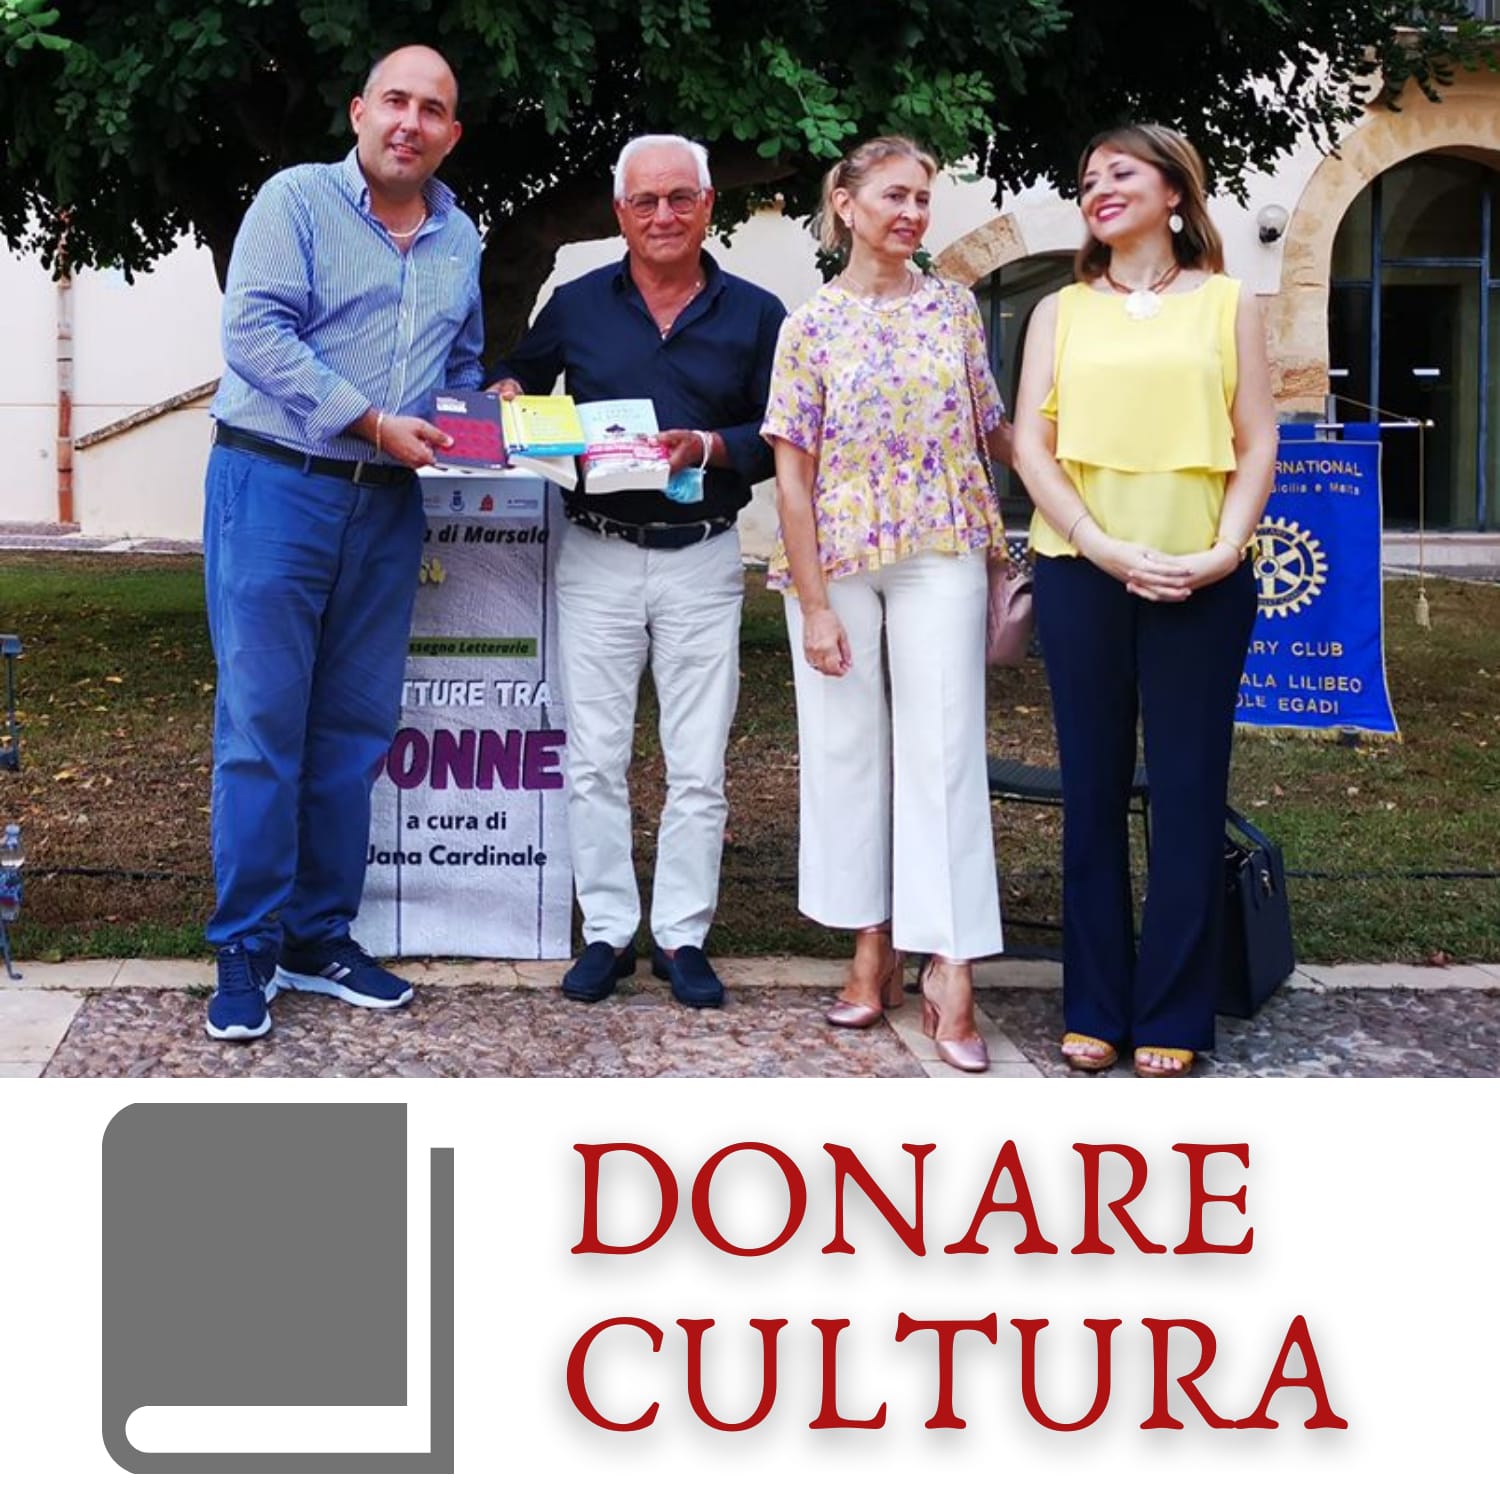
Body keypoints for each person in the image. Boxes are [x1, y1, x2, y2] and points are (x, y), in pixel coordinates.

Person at [202, 45, 483, 1041]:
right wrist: (369, 421)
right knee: (261, 730)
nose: (411, 121)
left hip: (386, 507)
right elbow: (255, 334)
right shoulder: (296, 201)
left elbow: (460, 367)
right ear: (360, 111)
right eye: (396, 101)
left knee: (353, 734)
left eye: (432, 110)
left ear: (452, 134)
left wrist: (492, 415)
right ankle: (245, 945)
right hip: (276, 486)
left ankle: (317, 935)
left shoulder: (461, 238)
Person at [488, 135, 785, 1008]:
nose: (663, 215)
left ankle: (683, 936)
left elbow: (782, 430)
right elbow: (518, 375)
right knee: (593, 757)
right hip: (598, 551)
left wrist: (712, 446)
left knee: (698, 762)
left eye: (680, 197)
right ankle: (609, 932)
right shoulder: (578, 304)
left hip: (703, 555)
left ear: (708, 206)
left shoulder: (756, 313)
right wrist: (509, 393)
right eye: (646, 200)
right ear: (620, 212)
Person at [1011, 123, 1277, 1078]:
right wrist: (1098, 542)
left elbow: (1256, 439)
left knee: (1188, 790)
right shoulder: (1059, 311)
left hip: (1202, 578)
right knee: (1091, 790)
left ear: (1174, 192)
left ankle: (1174, 1011)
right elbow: (1030, 445)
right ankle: (1094, 1003)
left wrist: (1222, 553)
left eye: (1121, 172)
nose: (1099, 189)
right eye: (1088, 179)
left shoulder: (1228, 303)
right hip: (1083, 570)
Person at [762, 136, 1010, 1073]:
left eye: (922, 199)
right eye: (895, 196)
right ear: (847, 203)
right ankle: (871, 943)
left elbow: (994, 428)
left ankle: (952, 965)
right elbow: (792, 479)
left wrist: (1080, 493)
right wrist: (815, 607)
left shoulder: (954, 308)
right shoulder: (808, 326)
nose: (911, 214)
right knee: (844, 750)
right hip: (835, 558)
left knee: (944, 753)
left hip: (941, 545)